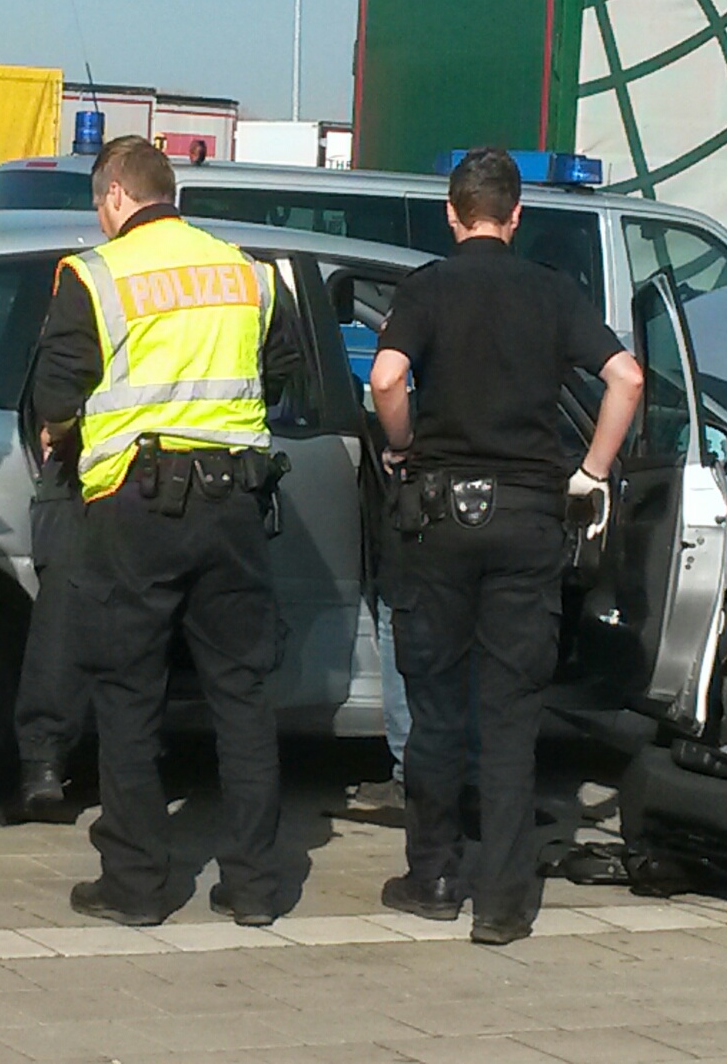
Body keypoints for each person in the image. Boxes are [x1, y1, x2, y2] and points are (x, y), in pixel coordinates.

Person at [368, 147, 644, 946]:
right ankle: (504, 902)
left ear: (453, 213)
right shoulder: (555, 293)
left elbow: (386, 378)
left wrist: (403, 445)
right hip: (529, 520)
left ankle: (433, 876)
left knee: (436, 710)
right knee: (512, 714)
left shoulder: (426, 288)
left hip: (440, 520)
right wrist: (591, 472)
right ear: (517, 215)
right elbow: (625, 378)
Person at [34, 135, 305, 927]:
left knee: (127, 695)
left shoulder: (94, 274)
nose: (99, 218)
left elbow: (56, 394)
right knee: (242, 695)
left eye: (97, 204)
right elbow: (283, 371)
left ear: (116, 194)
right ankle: (255, 887)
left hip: (134, 506)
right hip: (235, 505)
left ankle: (136, 885)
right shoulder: (249, 274)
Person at [12, 423, 91, 821]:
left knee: (62, 621)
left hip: (80, 476)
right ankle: (45, 764)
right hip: (89, 478)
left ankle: (43, 766)